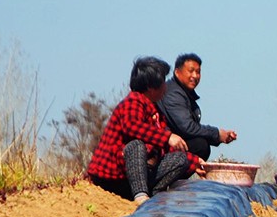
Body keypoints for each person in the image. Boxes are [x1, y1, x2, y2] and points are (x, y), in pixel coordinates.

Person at [87, 56, 203, 204]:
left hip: (136, 176)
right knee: (136, 147)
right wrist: (167, 137)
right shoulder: (133, 102)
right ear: (150, 86)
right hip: (113, 177)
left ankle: (152, 194)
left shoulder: (155, 111)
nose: (165, 87)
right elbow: (132, 126)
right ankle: (140, 195)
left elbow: (165, 147)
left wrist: (195, 162)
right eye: (161, 83)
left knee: (181, 158)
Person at [158, 53, 237, 160]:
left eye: (198, 72)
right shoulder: (173, 93)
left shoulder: (185, 94)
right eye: (190, 71)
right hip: (163, 147)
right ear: (177, 72)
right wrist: (217, 134)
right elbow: (187, 128)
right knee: (200, 146)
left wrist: (219, 137)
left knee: (200, 143)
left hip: (173, 144)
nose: (195, 76)